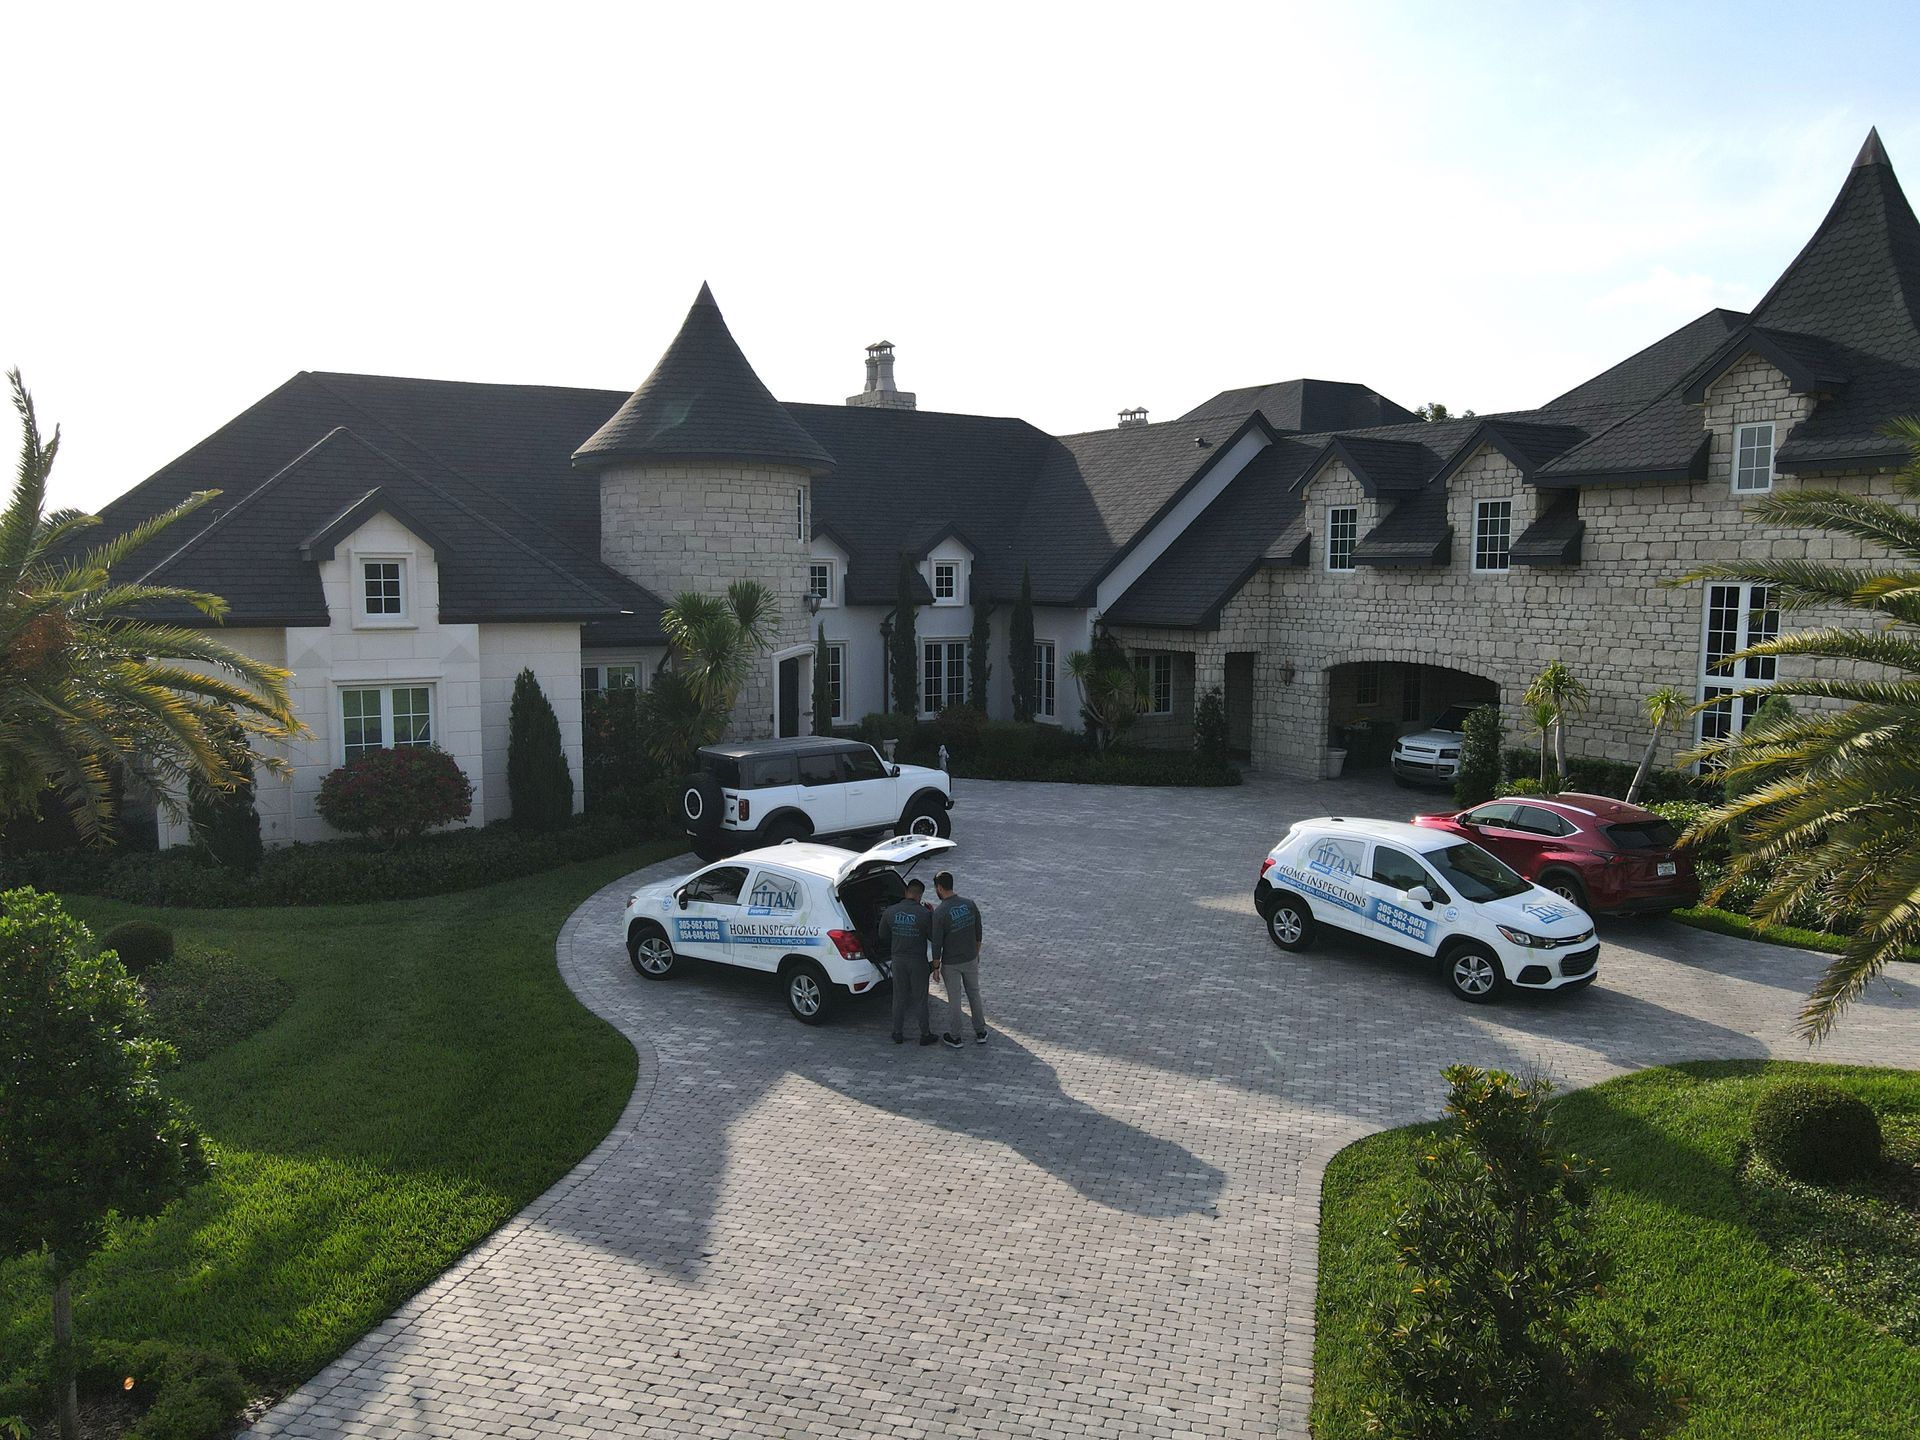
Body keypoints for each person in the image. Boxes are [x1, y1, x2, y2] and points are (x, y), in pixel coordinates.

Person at [930, 870, 985, 1048]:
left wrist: (936, 967)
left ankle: (955, 1036)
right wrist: (975, 953)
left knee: (954, 999)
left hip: (951, 963)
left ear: (939, 888)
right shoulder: (969, 904)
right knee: (974, 994)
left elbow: (937, 943)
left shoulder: (940, 912)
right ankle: (981, 1031)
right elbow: (978, 932)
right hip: (970, 958)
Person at [882, 878, 937, 1046]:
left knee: (899, 997)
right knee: (920, 998)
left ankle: (897, 1032)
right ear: (920, 895)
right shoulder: (924, 914)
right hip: (918, 961)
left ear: (906, 892)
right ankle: (925, 1034)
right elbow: (933, 937)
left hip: (898, 960)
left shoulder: (890, 912)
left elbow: (883, 935)